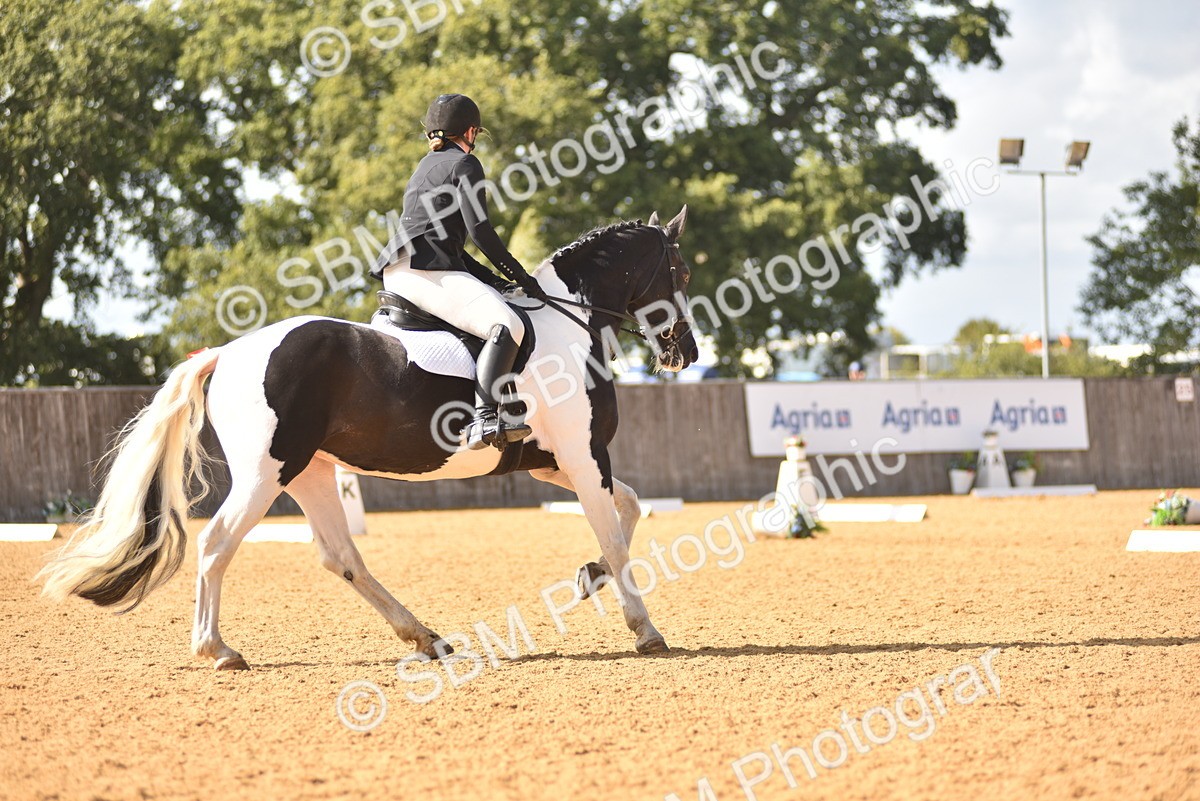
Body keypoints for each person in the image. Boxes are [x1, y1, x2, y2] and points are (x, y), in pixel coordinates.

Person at [371, 94, 540, 450]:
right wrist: (523, 277)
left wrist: (497, 282)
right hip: (423, 272)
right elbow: (481, 233)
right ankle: (485, 418)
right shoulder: (466, 163)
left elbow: (450, 249)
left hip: (401, 269)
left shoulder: (425, 166)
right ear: (470, 131)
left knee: (493, 309)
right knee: (507, 325)